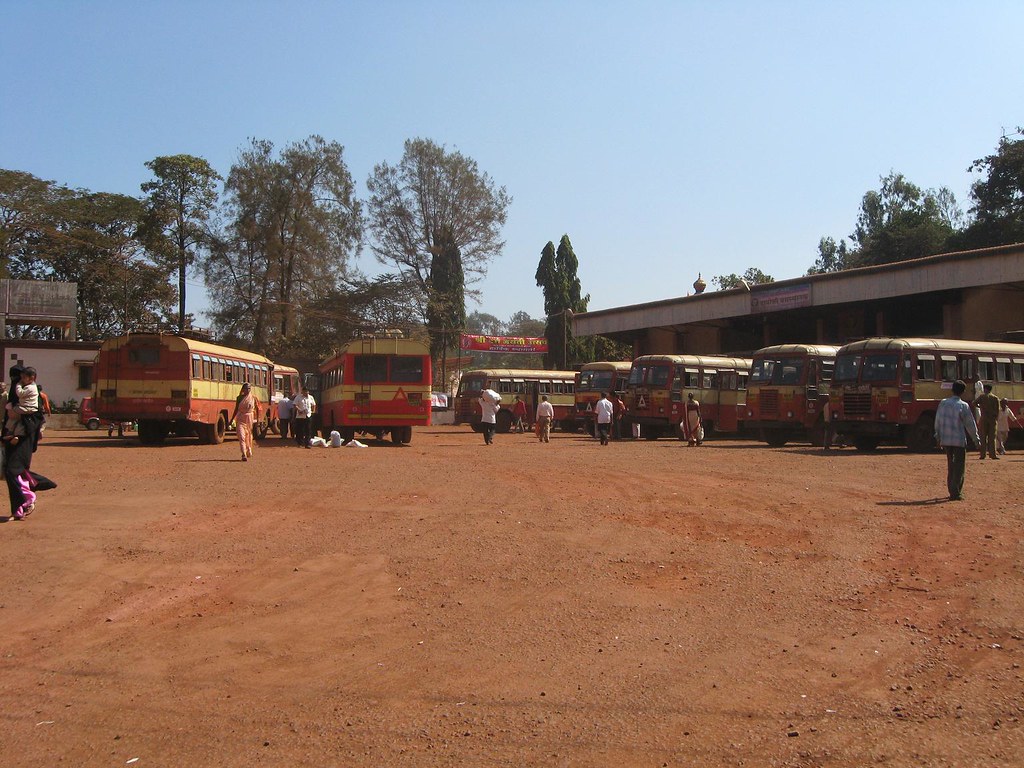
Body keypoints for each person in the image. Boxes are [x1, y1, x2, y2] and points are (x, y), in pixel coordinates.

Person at [4, 365, 44, 520]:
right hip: (13, 437)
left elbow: (36, 419)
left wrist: (19, 436)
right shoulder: (15, 394)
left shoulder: (30, 394)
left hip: (23, 440)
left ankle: (27, 499)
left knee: (13, 471)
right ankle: (20, 507)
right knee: (15, 472)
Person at [934, 379, 981, 502]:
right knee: (959, 467)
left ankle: (952, 489)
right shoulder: (963, 405)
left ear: (952, 389)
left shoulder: (943, 403)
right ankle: (956, 492)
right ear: (963, 392)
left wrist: (937, 437)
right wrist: (976, 440)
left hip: (946, 439)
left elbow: (938, 421)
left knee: (951, 465)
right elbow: (970, 424)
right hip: (958, 440)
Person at [230, 382, 261, 461]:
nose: (247, 390)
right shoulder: (239, 398)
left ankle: (248, 449)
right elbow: (236, 409)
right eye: (246, 388)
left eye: (249, 389)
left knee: (248, 435)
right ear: (243, 389)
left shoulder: (253, 398)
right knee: (241, 436)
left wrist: (258, 420)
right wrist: (232, 419)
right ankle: (243, 454)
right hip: (240, 418)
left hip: (249, 418)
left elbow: (258, 408)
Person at [974, 383, 1000, 460]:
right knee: (992, 438)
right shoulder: (995, 398)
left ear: (985, 389)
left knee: (983, 437)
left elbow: (974, 403)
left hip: (984, 418)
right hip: (992, 419)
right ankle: (993, 454)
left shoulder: (982, 397)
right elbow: (998, 410)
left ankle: (983, 455)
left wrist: (980, 406)